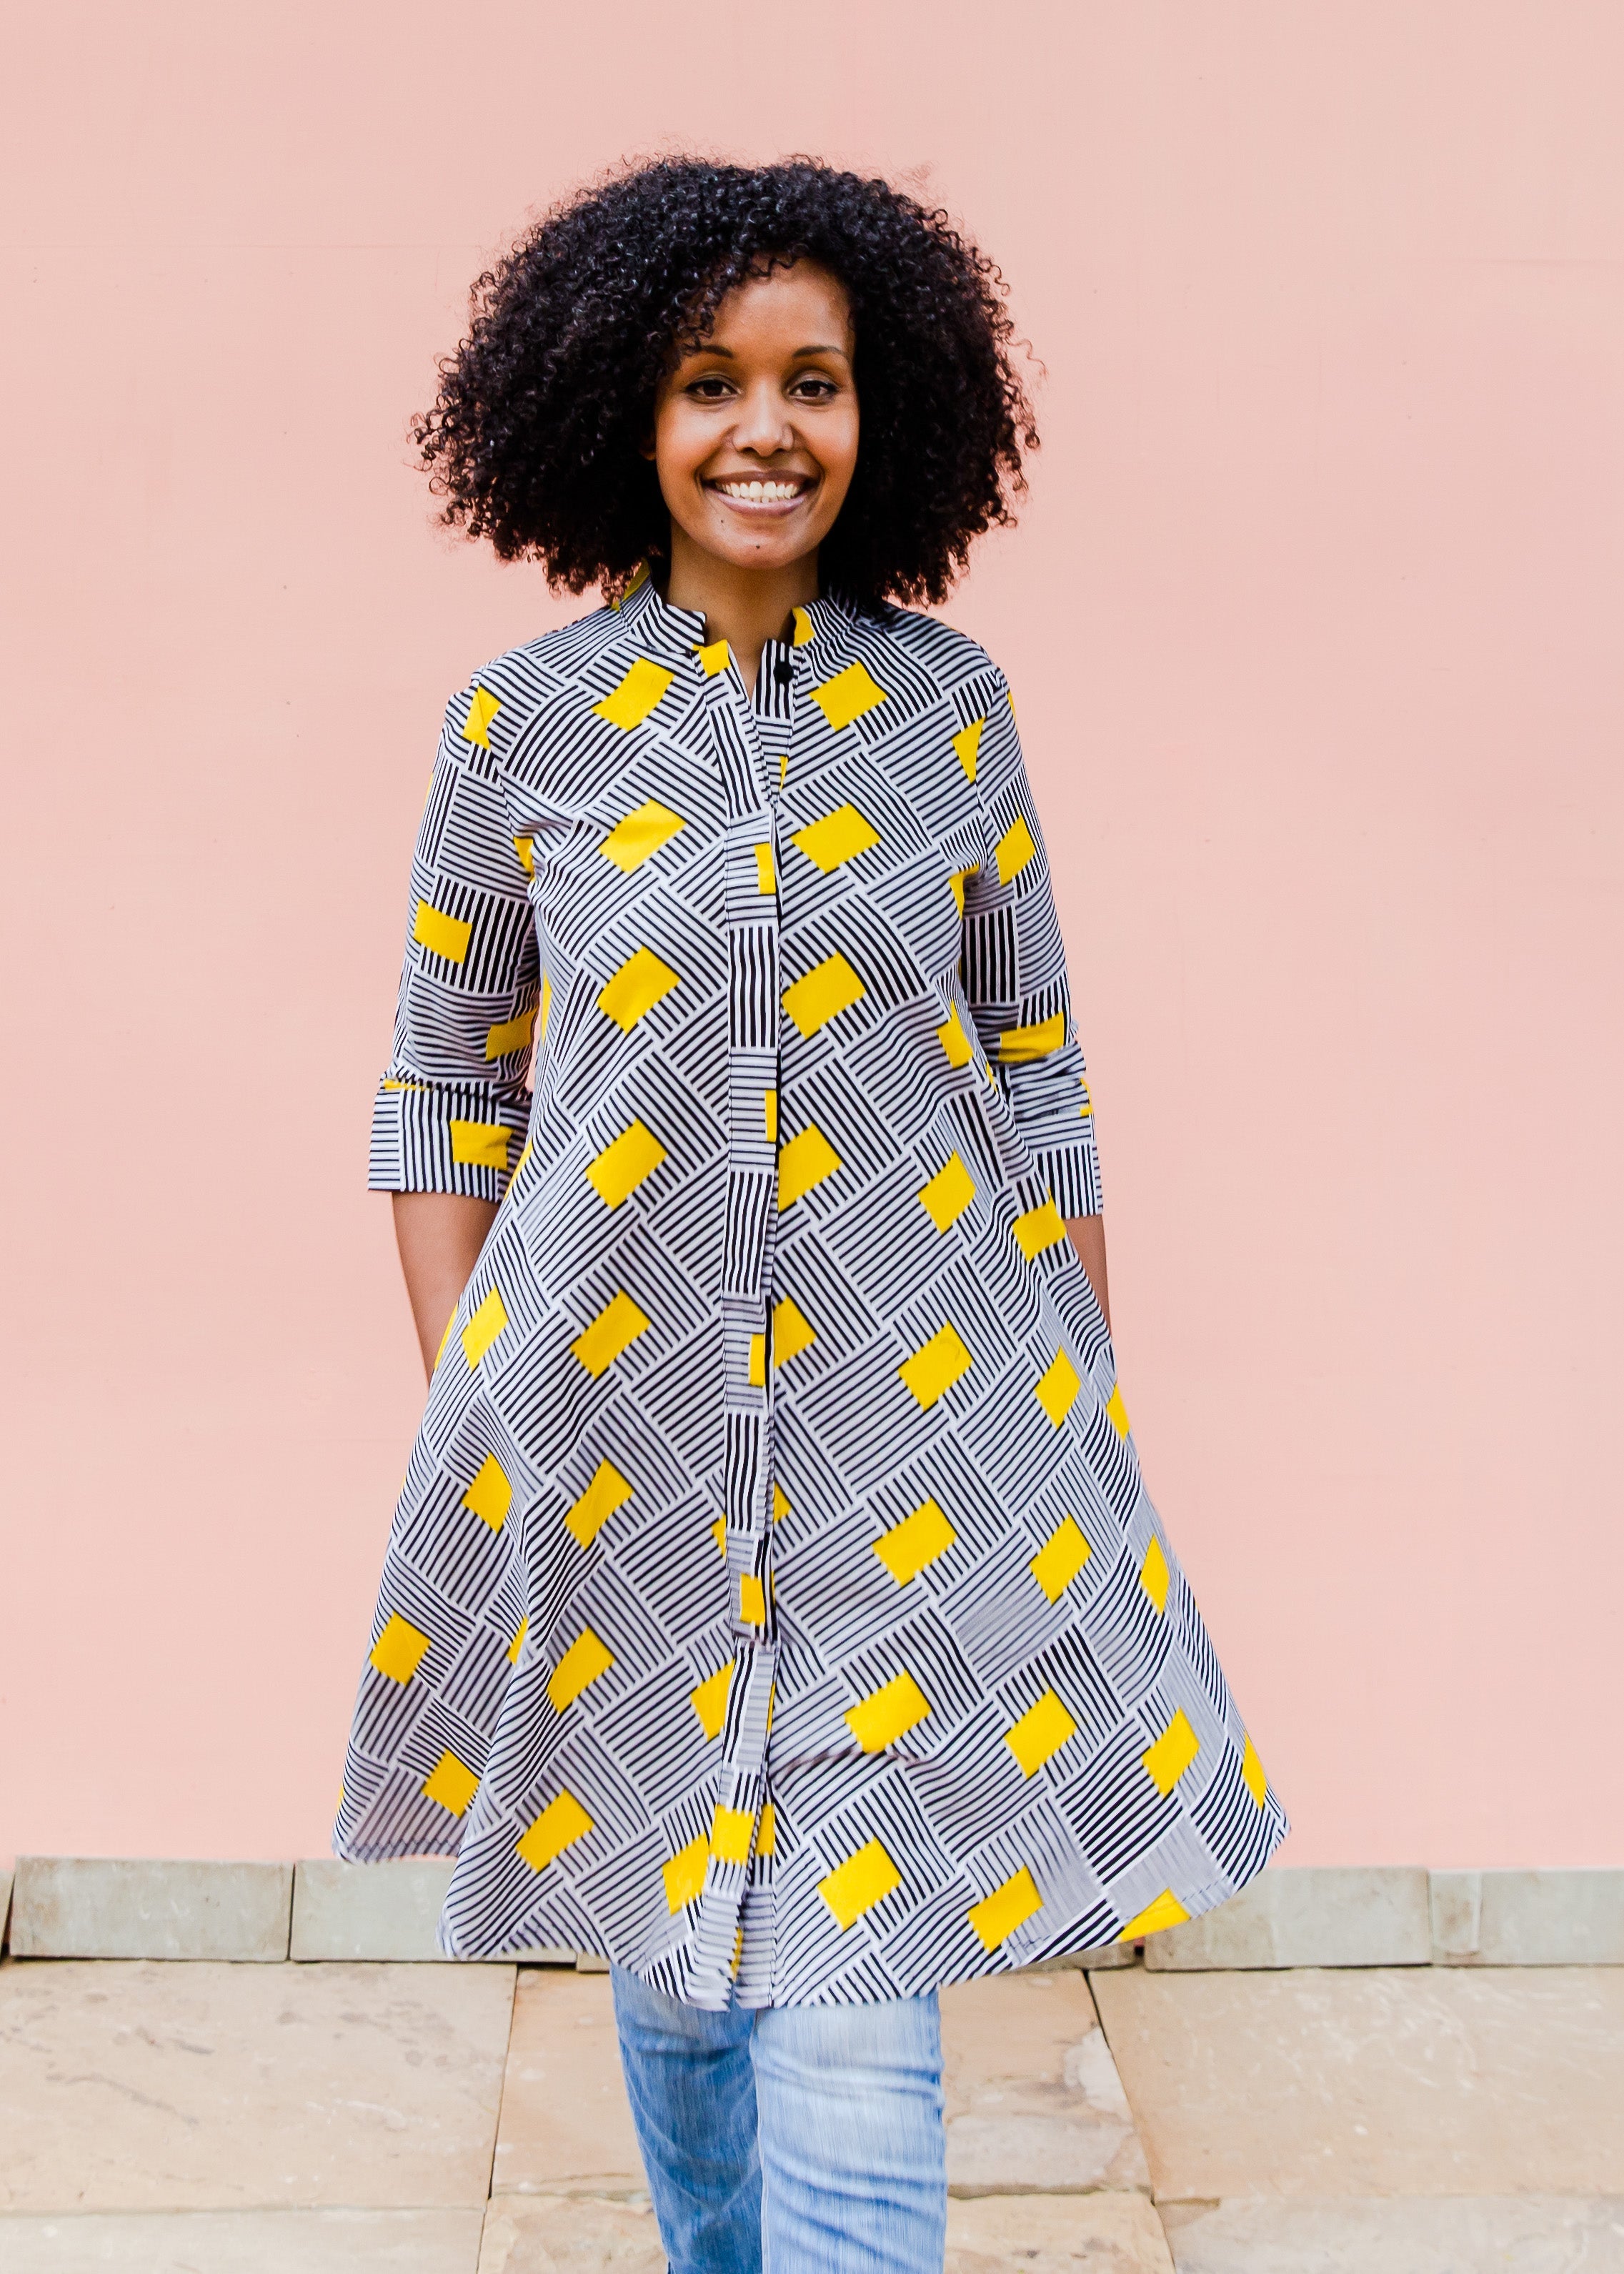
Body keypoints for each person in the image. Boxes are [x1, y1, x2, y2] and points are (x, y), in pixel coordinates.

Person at [336, 158, 1285, 2274]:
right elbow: (439, 1085)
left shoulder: (952, 715)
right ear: (620, 418)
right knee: (676, 1977)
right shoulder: (525, 732)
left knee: (858, 2037)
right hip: (626, 1451)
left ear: (888, 416)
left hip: (916, 1455)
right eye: (708, 382)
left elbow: (1032, 1072)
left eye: (814, 384)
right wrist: (479, 1415)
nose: (765, 427)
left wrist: (1086, 1403)